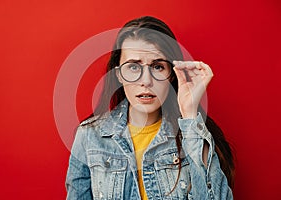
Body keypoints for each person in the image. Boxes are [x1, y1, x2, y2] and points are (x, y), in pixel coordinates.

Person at [66, 16, 235, 199]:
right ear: (119, 75)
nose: (146, 81)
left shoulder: (191, 135)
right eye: (133, 67)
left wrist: (190, 115)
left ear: (171, 74)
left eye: (157, 67)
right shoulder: (89, 136)